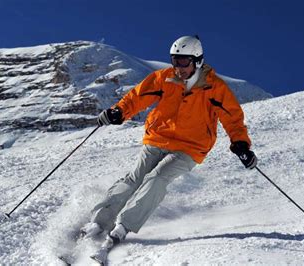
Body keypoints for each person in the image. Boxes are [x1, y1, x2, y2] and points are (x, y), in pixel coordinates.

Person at [81, 35, 258, 244]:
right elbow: (137, 97)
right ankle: (98, 223)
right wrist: (119, 111)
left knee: (157, 179)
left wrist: (241, 144)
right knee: (134, 179)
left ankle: (123, 226)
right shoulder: (164, 78)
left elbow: (233, 118)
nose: (178, 67)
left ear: (197, 60)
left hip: (190, 148)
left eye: (183, 61)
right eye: (175, 61)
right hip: (158, 138)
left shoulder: (215, 88)